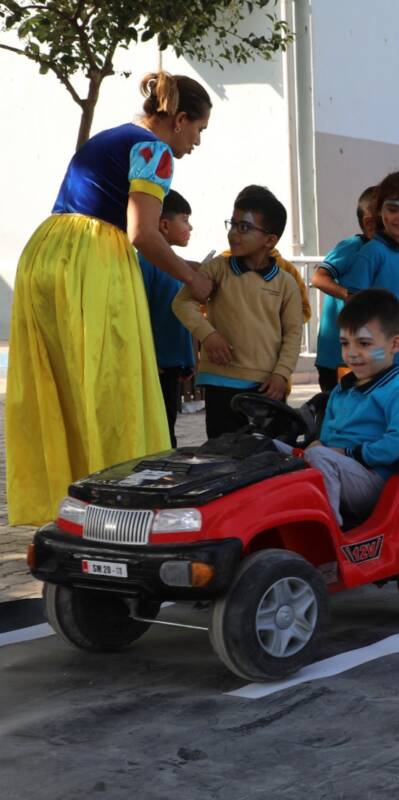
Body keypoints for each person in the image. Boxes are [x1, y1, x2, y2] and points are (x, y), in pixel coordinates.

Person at [5, 71, 214, 525]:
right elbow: (143, 233)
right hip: (92, 260)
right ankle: (117, 504)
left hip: (47, 252)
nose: (197, 142)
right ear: (180, 120)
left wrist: (183, 264)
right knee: (111, 384)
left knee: (64, 385)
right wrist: (192, 280)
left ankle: (66, 498)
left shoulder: (111, 136)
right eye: (199, 129)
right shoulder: (156, 151)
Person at [277, 289, 399, 527]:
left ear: (395, 344)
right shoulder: (341, 390)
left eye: (364, 343)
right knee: (268, 446)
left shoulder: (398, 392)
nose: (352, 353)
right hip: (333, 467)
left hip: (373, 481)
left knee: (319, 457)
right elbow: (327, 439)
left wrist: (349, 453)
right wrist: (317, 444)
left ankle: (326, 531)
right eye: (345, 343)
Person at [173, 185, 303, 439]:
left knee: (267, 453)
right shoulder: (216, 269)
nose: (233, 233)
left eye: (244, 227)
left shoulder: (286, 283)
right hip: (220, 382)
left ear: (269, 240)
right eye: (232, 224)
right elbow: (182, 302)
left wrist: (281, 374)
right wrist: (208, 335)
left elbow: (293, 333)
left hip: (267, 386)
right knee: (223, 454)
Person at [338, 172, 399, 370]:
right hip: (381, 364)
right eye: (393, 209)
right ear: (379, 209)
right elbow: (354, 308)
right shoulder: (371, 253)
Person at [138, 189, 196, 448]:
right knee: (159, 434)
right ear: (163, 225)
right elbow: (141, 314)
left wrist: (186, 360)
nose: (190, 227)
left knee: (168, 426)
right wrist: (150, 357)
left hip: (171, 364)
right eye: (185, 220)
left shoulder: (173, 263)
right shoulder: (147, 262)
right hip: (155, 365)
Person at [311, 186, 377, 391]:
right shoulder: (351, 247)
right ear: (370, 223)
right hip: (336, 358)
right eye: (391, 213)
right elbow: (318, 278)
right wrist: (349, 296)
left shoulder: (391, 254)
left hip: (369, 355)